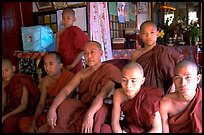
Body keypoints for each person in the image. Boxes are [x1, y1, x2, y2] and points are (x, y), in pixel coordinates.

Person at [46, 41, 122, 133]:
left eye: (92, 52)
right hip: (85, 103)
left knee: (99, 112)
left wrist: (89, 115)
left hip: (101, 104)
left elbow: (103, 94)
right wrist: (53, 108)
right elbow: (66, 90)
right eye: (85, 53)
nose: (89, 56)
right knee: (65, 105)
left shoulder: (109, 70)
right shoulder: (82, 73)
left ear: (101, 53)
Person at [18, 51, 75, 133]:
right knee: (24, 122)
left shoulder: (69, 76)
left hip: (63, 113)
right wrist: (34, 122)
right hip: (48, 112)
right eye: (45, 64)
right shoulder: (45, 81)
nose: (47, 67)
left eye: (51, 64)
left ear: (60, 66)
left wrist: (47, 125)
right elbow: (41, 103)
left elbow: (67, 102)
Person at [100, 62, 164, 133]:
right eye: (124, 80)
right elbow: (115, 123)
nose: (128, 85)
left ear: (142, 81)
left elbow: (157, 129)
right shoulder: (119, 94)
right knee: (104, 129)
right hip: (127, 128)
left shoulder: (149, 97)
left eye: (133, 81)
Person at [131, 20, 183, 94]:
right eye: (144, 33)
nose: (148, 36)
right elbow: (131, 74)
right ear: (140, 35)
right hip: (141, 92)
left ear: (157, 33)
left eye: (152, 32)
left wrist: (170, 96)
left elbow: (171, 76)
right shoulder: (136, 55)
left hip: (162, 92)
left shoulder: (165, 53)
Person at [159, 60, 202, 133]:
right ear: (173, 80)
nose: (183, 83)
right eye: (178, 78)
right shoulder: (166, 103)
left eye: (188, 77)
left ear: (197, 79)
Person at [2, 59, 40, 133]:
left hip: (25, 111)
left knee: (9, 121)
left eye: (6, 70)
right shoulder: (4, 83)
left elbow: (23, 106)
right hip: (11, 109)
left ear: (13, 69)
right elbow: (3, 103)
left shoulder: (21, 80)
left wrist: (5, 116)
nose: (4, 74)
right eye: (1, 72)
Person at [56, 7, 90, 74]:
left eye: (68, 18)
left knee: (76, 82)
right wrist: (59, 65)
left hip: (76, 64)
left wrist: (73, 65)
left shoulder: (77, 31)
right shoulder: (59, 33)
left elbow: (83, 50)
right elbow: (57, 51)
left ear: (74, 19)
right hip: (63, 64)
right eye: (63, 18)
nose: (65, 20)